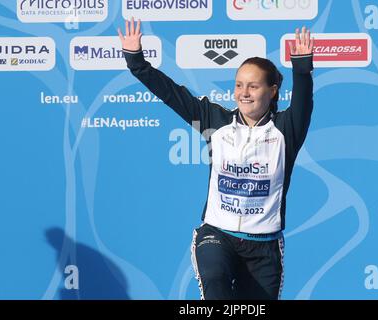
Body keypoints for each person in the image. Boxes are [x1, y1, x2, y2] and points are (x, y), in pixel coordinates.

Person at [118, 18, 314, 300]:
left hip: (264, 248)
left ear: (272, 92)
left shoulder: (286, 130)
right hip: (217, 236)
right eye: (239, 85)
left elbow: (304, 102)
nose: (243, 93)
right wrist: (136, 61)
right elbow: (172, 94)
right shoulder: (215, 121)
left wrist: (302, 69)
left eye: (253, 86)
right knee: (216, 285)